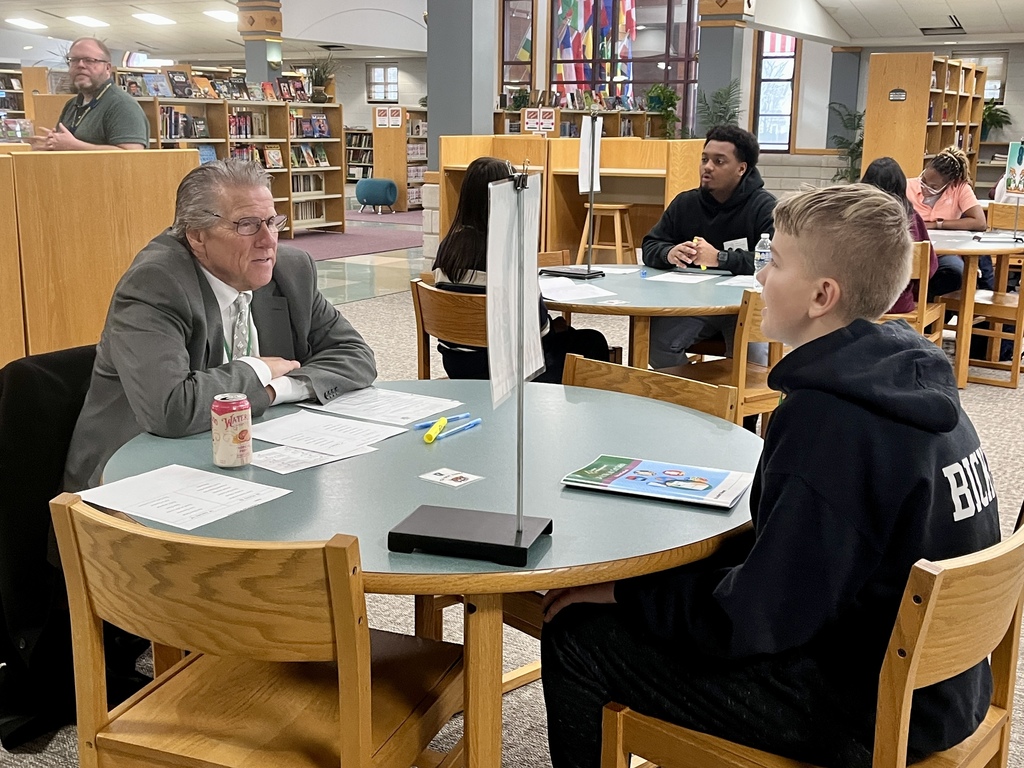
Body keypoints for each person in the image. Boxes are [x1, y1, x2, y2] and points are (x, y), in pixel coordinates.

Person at [541, 184, 999, 768]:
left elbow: (753, 620)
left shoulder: (830, 421)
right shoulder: (906, 371)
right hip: (949, 685)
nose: (759, 277)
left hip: (874, 706)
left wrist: (624, 593)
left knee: (578, 637)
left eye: (774, 261)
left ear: (821, 295)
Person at [64, 159, 377, 491]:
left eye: (272, 222)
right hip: (132, 478)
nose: (268, 240)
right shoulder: (156, 283)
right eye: (247, 224)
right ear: (198, 236)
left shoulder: (291, 271)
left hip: (247, 464)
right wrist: (257, 370)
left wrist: (275, 389)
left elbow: (356, 356)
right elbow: (172, 409)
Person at [431, 156, 610, 383]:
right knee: (593, 341)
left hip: (457, 363)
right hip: (510, 370)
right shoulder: (508, 253)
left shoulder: (447, 248)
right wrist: (556, 328)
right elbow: (539, 333)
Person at [641, 125, 777, 368]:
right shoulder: (686, 203)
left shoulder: (764, 207)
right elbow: (651, 244)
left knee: (755, 359)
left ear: (741, 168)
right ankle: (690, 399)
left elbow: (774, 261)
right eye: (704, 159)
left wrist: (720, 258)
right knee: (654, 342)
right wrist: (669, 253)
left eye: (719, 161)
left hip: (743, 307)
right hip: (693, 305)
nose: (708, 167)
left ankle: (739, 404)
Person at [28, 38, 149, 151]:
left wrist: (73, 146)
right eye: (74, 60)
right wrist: (52, 144)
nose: (80, 65)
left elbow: (132, 155)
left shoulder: (122, 105)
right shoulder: (72, 105)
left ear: (107, 68)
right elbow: (65, 146)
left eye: (89, 60)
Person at [906, 146, 989, 296]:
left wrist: (937, 225)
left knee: (956, 272)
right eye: (923, 180)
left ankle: (937, 310)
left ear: (949, 184)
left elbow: (980, 222)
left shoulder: (959, 188)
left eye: (933, 187)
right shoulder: (908, 186)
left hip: (942, 254)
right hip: (911, 250)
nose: (925, 188)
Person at [860, 156, 938, 313]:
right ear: (902, 186)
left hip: (859, 303)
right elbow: (930, 267)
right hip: (899, 303)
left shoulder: (856, 219)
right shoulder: (912, 218)